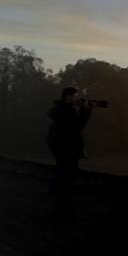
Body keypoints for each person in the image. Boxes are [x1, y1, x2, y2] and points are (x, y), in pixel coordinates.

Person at [46, 87, 96, 220]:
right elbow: (77, 126)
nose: (77, 99)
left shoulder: (62, 110)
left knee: (65, 180)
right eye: (75, 96)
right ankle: (62, 212)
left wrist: (80, 110)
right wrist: (87, 110)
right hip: (66, 151)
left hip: (64, 150)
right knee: (66, 181)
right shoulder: (65, 111)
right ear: (67, 97)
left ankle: (62, 211)